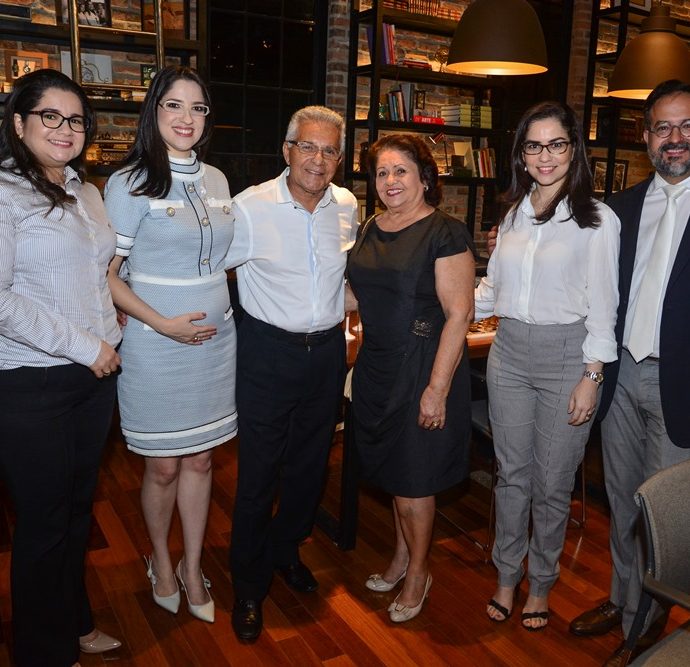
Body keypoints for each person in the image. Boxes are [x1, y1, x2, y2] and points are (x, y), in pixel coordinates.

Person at [475, 101, 620, 631]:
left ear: (573, 149)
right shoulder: (512, 214)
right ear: (521, 154)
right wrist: (446, 300)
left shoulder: (599, 220)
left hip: (568, 358)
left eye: (556, 144)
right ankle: (506, 576)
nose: (545, 156)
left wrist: (592, 374)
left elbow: (605, 306)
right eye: (534, 145)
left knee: (553, 480)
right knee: (511, 475)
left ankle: (541, 583)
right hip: (508, 353)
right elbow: (494, 292)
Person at [105, 66, 237, 625]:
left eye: (198, 107)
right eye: (174, 106)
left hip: (215, 342)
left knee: (202, 459)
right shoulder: (128, 182)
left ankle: (191, 566)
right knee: (161, 467)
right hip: (155, 344)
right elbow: (106, 274)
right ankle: (160, 560)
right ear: (154, 112)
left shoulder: (218, 180)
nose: (187, 118)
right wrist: (163, 324)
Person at [0, 69, 122, 667]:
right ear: (19, 124)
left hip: (92, 381)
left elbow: (98, 277)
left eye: (74, 119)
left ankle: (72, 623)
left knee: (76, 515)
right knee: (44, 524)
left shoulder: (88, 193)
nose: (64, 128)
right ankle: (40, 653)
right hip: (30, 383)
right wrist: (87, 344)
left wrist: (109, 335)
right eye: (49, 115)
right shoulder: (2, 193)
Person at [226, 105, 358, 642]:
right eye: (308, 146)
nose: (317, 159)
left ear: (339, 159)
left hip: (325, 353)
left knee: (309, 469)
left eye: (329, 150)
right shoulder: (250, 206)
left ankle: (286, 552)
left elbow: (343, 278)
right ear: (287, 151)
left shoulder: (346, 206)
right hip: (266, 353)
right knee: (259, 474)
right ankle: (248, 584)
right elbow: (217, 271)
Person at [569, 80, 690, 666]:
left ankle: (652, 615)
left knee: (660, 511)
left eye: (686, 125)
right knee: (621, 499)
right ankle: (623, 598)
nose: (676, 138)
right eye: (663, 127)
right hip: (620, 379)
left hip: (680, 387)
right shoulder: (620, 209)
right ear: (645, 137)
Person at [346, 133, 475, 622]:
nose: (390, 181)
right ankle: (401, 557)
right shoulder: (370, 226)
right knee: (394, 477)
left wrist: (436, 390)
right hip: (377, 364)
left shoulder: (446, 232)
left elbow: (459, 313)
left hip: (424, 366)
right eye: (381, 172)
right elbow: (359, 296)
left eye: (401, 170)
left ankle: (419, 570)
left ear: (424, 177)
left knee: (415, 483)